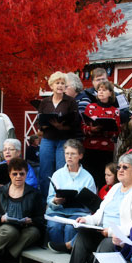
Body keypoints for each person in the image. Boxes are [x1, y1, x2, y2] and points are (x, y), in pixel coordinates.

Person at [48, 152, 132, 263]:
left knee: (107, 243)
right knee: (82, 236)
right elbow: (101, 212)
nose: (120, 170)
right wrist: (86, 219)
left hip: (121, 237)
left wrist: (111, 231)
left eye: (125, 168)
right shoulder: (116, 188)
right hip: (102, 229)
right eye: (119, 167)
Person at [0, 158, 45, 263]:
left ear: (26, 174)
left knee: (34, 233)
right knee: (11, 232)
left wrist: (31, 220)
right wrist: (2, 218)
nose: (18, 177)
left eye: (22, 174)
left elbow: (41, 218)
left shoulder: (34, 193)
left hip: (25, 226)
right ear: (9, 174)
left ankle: (5, 255)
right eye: (15, 174)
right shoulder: (0, 192)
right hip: (5, 226)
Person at [46, 139, 96, 253]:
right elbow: (49, 199)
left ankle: (69, 255)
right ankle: (56, 252)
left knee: (70, 228)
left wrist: (82, 200)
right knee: (54, 226)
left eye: (73, 154)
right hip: (58, 211)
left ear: (80, 156)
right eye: (67, 153)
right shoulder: (57, 174)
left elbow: (92, 204)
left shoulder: (88, 177)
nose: (69, 157)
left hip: (78, 213)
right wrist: (55, 201)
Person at [38, 71, 79, 199]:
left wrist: (62, 127)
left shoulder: (71, 102)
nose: (60, 85)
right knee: (45, 171)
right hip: (48, 139)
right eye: (57, 83)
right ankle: (46, 201)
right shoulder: (45, 102)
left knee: (61, 170)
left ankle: (60, 199)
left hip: (64, 140)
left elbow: (75, 123)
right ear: (52, 85)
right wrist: (46, 125)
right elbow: (40, 123)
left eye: (62, 83)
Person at [81, 81, 120, 187]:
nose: (101, 92)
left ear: (110, 93)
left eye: (104, 90)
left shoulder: (114, 111)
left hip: (106, 150)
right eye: (99, 90)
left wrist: (105, 130)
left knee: (103, 178)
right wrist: (91, 129)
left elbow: (117, 132)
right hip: (90, 148)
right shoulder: (90, 107)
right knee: (88, 176)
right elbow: (82, 126)